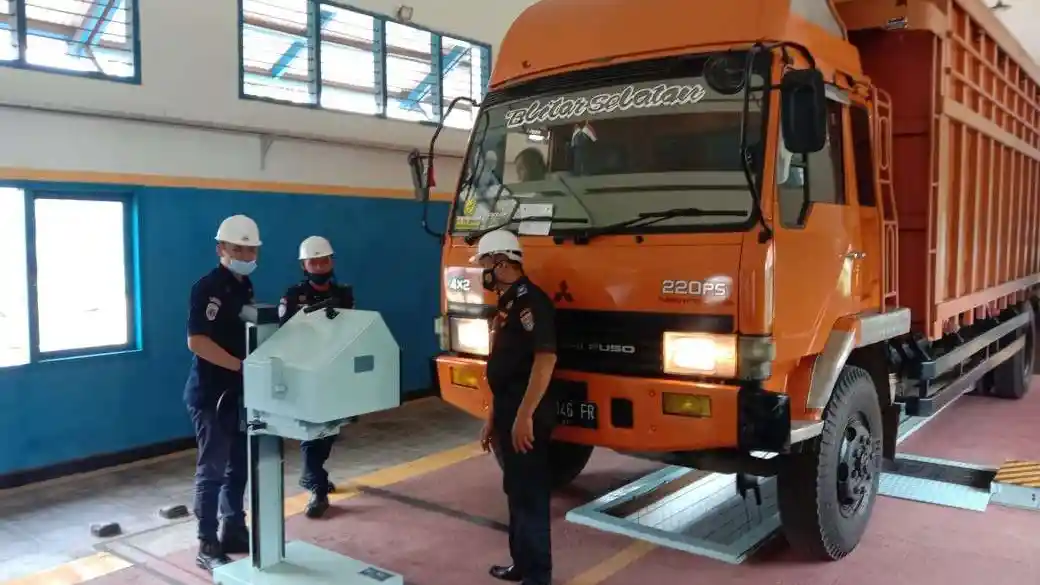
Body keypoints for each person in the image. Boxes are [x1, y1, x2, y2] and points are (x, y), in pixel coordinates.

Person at [473, 229, 558, 585]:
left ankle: (538, 576)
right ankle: (521, 564)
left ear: (502, 262)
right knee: (516, 492)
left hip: (528, 414)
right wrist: (493, 418)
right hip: (510, 410)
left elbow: (545, 360)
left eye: (485, 263)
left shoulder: (531, 303)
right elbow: (504, 368)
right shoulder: (508, 303)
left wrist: (524, 417)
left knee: (530, 497)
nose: (483, 271)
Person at [183, 214, 261, 571]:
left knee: (238, 467)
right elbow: (197, 341)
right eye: (237, 248)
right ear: (221, 249)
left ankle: (234, 529)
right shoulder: (207, 287)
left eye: (250, 249)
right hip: (211, 394)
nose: (245, 255)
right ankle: (207, 542)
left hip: (238, 394)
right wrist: (239, 366)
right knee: (212, 470)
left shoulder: (244, 286)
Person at [277, 235, 355, 519]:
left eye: (324, 261)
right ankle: (317, 486)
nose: (320, 267)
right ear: (304, 265)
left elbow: (350, 328)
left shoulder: (343, 294)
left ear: (332, 262)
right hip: (307, 372)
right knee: (312, 431)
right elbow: (285, 333)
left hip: (334, 371)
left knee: (330, 430)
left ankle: (314, 473)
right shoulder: (293, 296)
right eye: (314, 262)